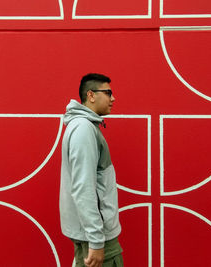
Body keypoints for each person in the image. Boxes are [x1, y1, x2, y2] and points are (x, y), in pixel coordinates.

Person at [60, 73, 123, 267]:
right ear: (91, 95)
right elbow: (83, 187)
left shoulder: (83, 127)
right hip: (96, 235)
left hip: (91, 233)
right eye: (108, 92)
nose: (113, 98)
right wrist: (96, 240)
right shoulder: (84, 129)